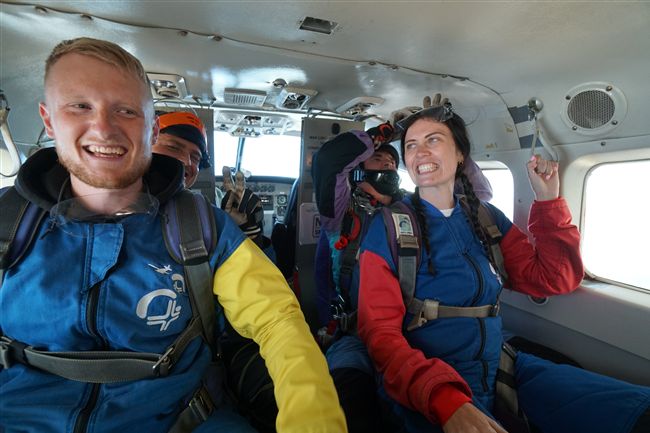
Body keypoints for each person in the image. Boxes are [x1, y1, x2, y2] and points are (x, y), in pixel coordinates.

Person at [0, 37, 346, 433]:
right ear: (48, 120)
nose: (104, 128)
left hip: (179, 419)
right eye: (80, 106)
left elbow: (278, 320)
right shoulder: (9, 222)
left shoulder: (201, 225)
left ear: (149, 130)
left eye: (126, 110)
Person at [356, 103, 650, 433]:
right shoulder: (388, 229)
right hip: (429, 382)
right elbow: (380, 336)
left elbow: (555, 278)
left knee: (637, 410)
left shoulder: (486, 217)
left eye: (433, 140)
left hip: (502, 365)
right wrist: (446, 401)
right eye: (411, 145)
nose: (420, 152)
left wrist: (548, 200)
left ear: (460, 154)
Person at [311, 99, 493, 433]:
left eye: (393, 160)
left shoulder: (413, 211)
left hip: (415, 331)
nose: (387, 161)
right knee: (350, 401)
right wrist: (389, 132)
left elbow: (478, 196)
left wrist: (453, 152)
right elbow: (328, 161)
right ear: (358, 168)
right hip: (355, 334)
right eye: (377, 157)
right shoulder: (340, 213)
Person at [151, 111, 273, 258]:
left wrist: (247, 233)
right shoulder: (126, 205)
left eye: (195, 157)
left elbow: (255, 270)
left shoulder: (210, 218)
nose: (187, 161)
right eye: (173, 147)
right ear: (144, 146)